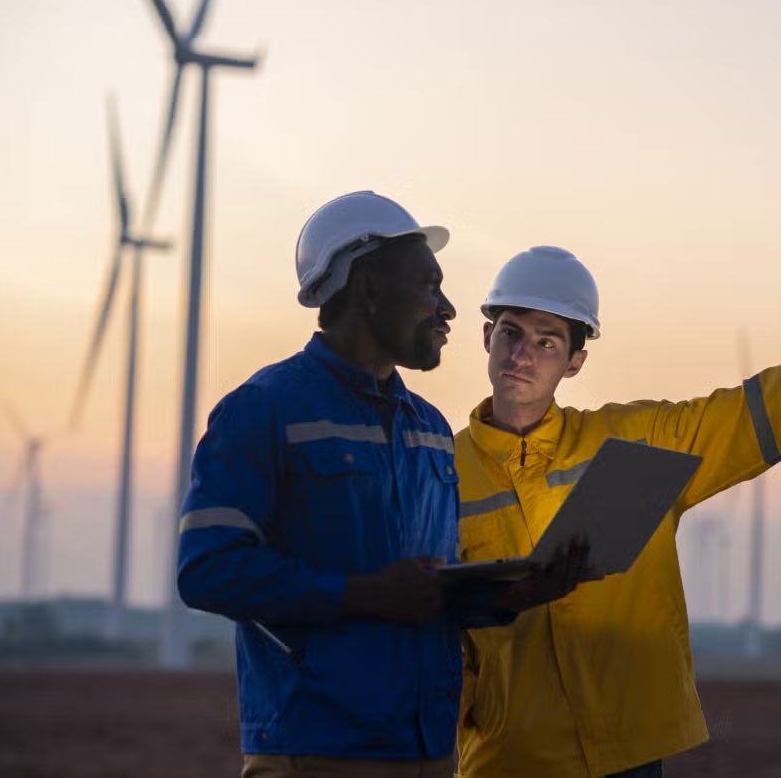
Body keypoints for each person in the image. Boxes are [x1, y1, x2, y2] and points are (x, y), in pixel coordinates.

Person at [453, 245, 781, 778]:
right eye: (511, 332)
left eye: (546, 341)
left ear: (575, 360)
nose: (521, 354)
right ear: (486, 336)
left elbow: (761, 408)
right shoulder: (440, 470)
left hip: (627, 754)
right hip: (509, 757)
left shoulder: (632, 447)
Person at [175, 194, 588, 778]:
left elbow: (425, 591)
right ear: (369, 286)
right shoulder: (263, 411)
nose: (447, 309)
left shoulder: (430, 429)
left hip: (425, 752)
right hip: (315, 750)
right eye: (429, 286)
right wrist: (364, 593)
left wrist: (514, 595)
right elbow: (207, 570)